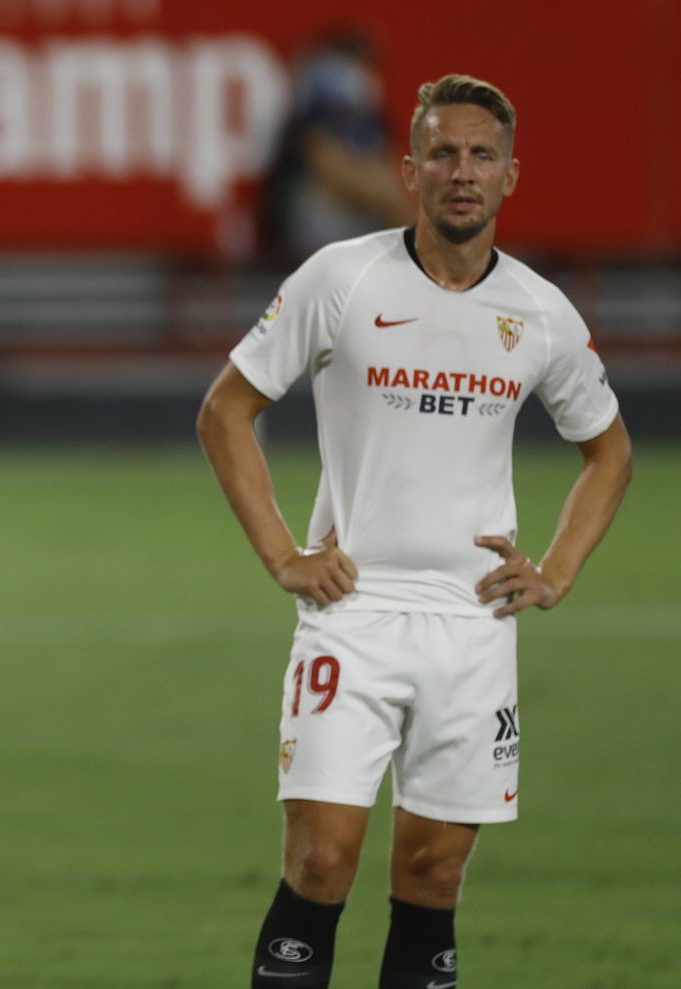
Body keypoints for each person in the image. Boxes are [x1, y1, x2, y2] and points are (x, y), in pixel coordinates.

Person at [198, 74, 633, 988]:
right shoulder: (341, 278)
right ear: (411, 170)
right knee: (320, 859)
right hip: (351, 614)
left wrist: (556, 569)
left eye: (481, 155)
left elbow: (610, 453)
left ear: (510, 175)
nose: (462, 172)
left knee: (433, 875)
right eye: (443, 153)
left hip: (474, 626)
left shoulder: (540, 311)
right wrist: (282, 553)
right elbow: (225, 410)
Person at [260, 29, 412, 258]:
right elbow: (329, 168)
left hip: (367, 220)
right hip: (309, 230)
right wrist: (375, 191)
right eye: (353, 61)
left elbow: (398, 175)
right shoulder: (313, 116)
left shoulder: (373, 119)